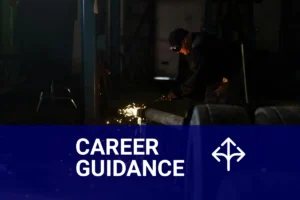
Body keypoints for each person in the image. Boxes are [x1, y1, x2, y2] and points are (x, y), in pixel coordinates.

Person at [166, 28, 243, 104]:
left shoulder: (200, 46)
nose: (178, 52)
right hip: (221, 79)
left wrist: (180, 90)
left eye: (177, 49)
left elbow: (201, 72)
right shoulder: (194, 44)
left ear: (184, 41)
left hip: (234, 75)